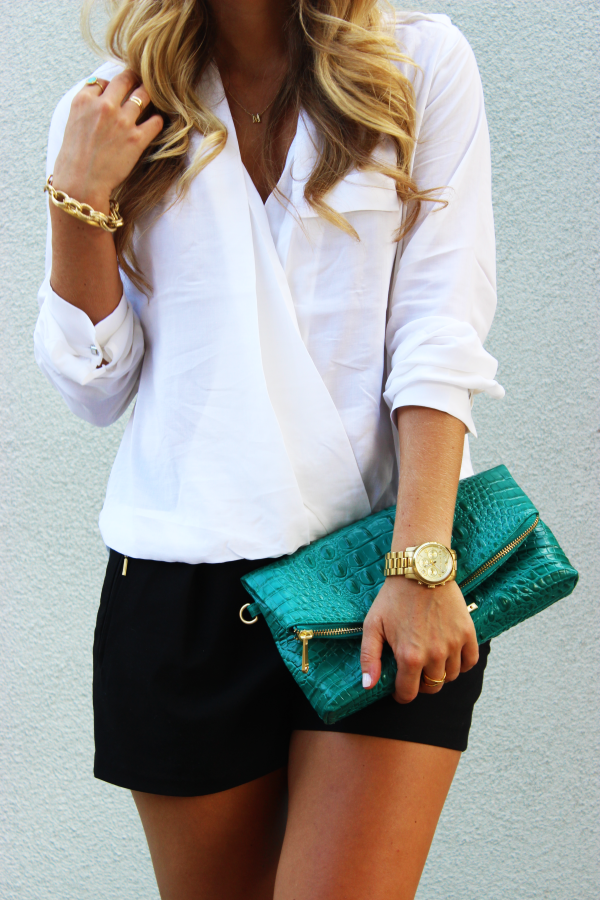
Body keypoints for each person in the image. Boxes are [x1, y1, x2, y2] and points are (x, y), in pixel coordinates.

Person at [34, 1, 505, 897]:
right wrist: (79, 197)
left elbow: (440, 329)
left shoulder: (419, 64)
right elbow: (95, 385)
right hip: (180, 588)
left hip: (382, 568)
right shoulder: (108, 110)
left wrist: (423, 561)